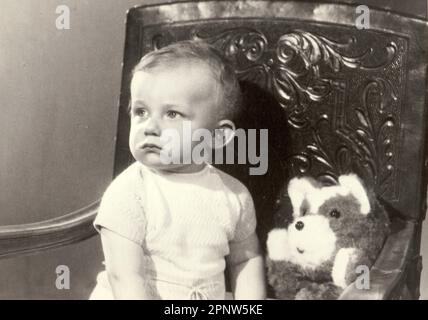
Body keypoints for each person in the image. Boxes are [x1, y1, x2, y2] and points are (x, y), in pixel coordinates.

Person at [89, 40, 266, 300]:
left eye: (172, 114)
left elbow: (246, 260)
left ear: (217, 136)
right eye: (141, 111)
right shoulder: (131, 192)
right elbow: (124, 277)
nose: (149, 126)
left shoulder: (233, 196)